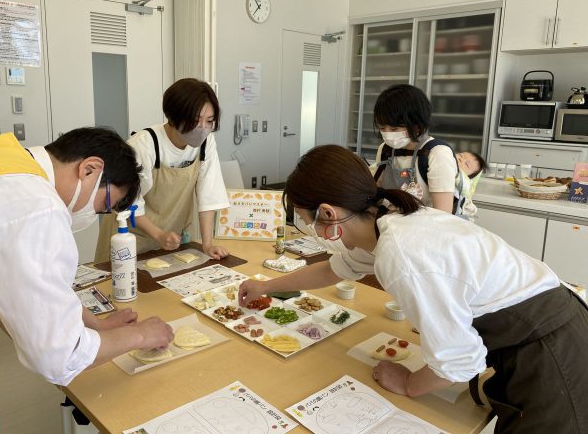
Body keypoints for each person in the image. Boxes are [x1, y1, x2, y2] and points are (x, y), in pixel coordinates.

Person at [239, 144, 588, 434]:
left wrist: (408, 383)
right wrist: (266, 286)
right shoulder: (386, 218)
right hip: (545, 324)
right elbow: (333, 270)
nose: (306, 228)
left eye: (304, 219)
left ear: (327, 214)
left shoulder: (401, 253)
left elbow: (458, 360)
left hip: (551, 350)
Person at [0, 128, 174, 433]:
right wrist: (141, 335)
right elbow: (58, 355)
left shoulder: (1, 156)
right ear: (89, 169)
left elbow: (40, 286)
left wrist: (95, 324)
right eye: (104, 205)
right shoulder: (37, 207)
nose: (96, 214)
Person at [95, 78, 230, 263]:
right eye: (195, 121)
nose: (203, 128)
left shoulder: (207, 143)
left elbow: (208, 194)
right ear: (173, 117)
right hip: (130, 235)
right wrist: (158, 234)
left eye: (209, 121)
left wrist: (207, 244)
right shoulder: (145, 144)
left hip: (172, 237)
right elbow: (127, 201)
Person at [371, 84, 458, 214]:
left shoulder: (437, 153)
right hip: (392, 222)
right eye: (382, 128)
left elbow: (443, 214)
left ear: (417, 125)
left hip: (427, 223)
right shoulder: (385, 150)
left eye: (394, 129)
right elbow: (377, 192)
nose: (388, 134)